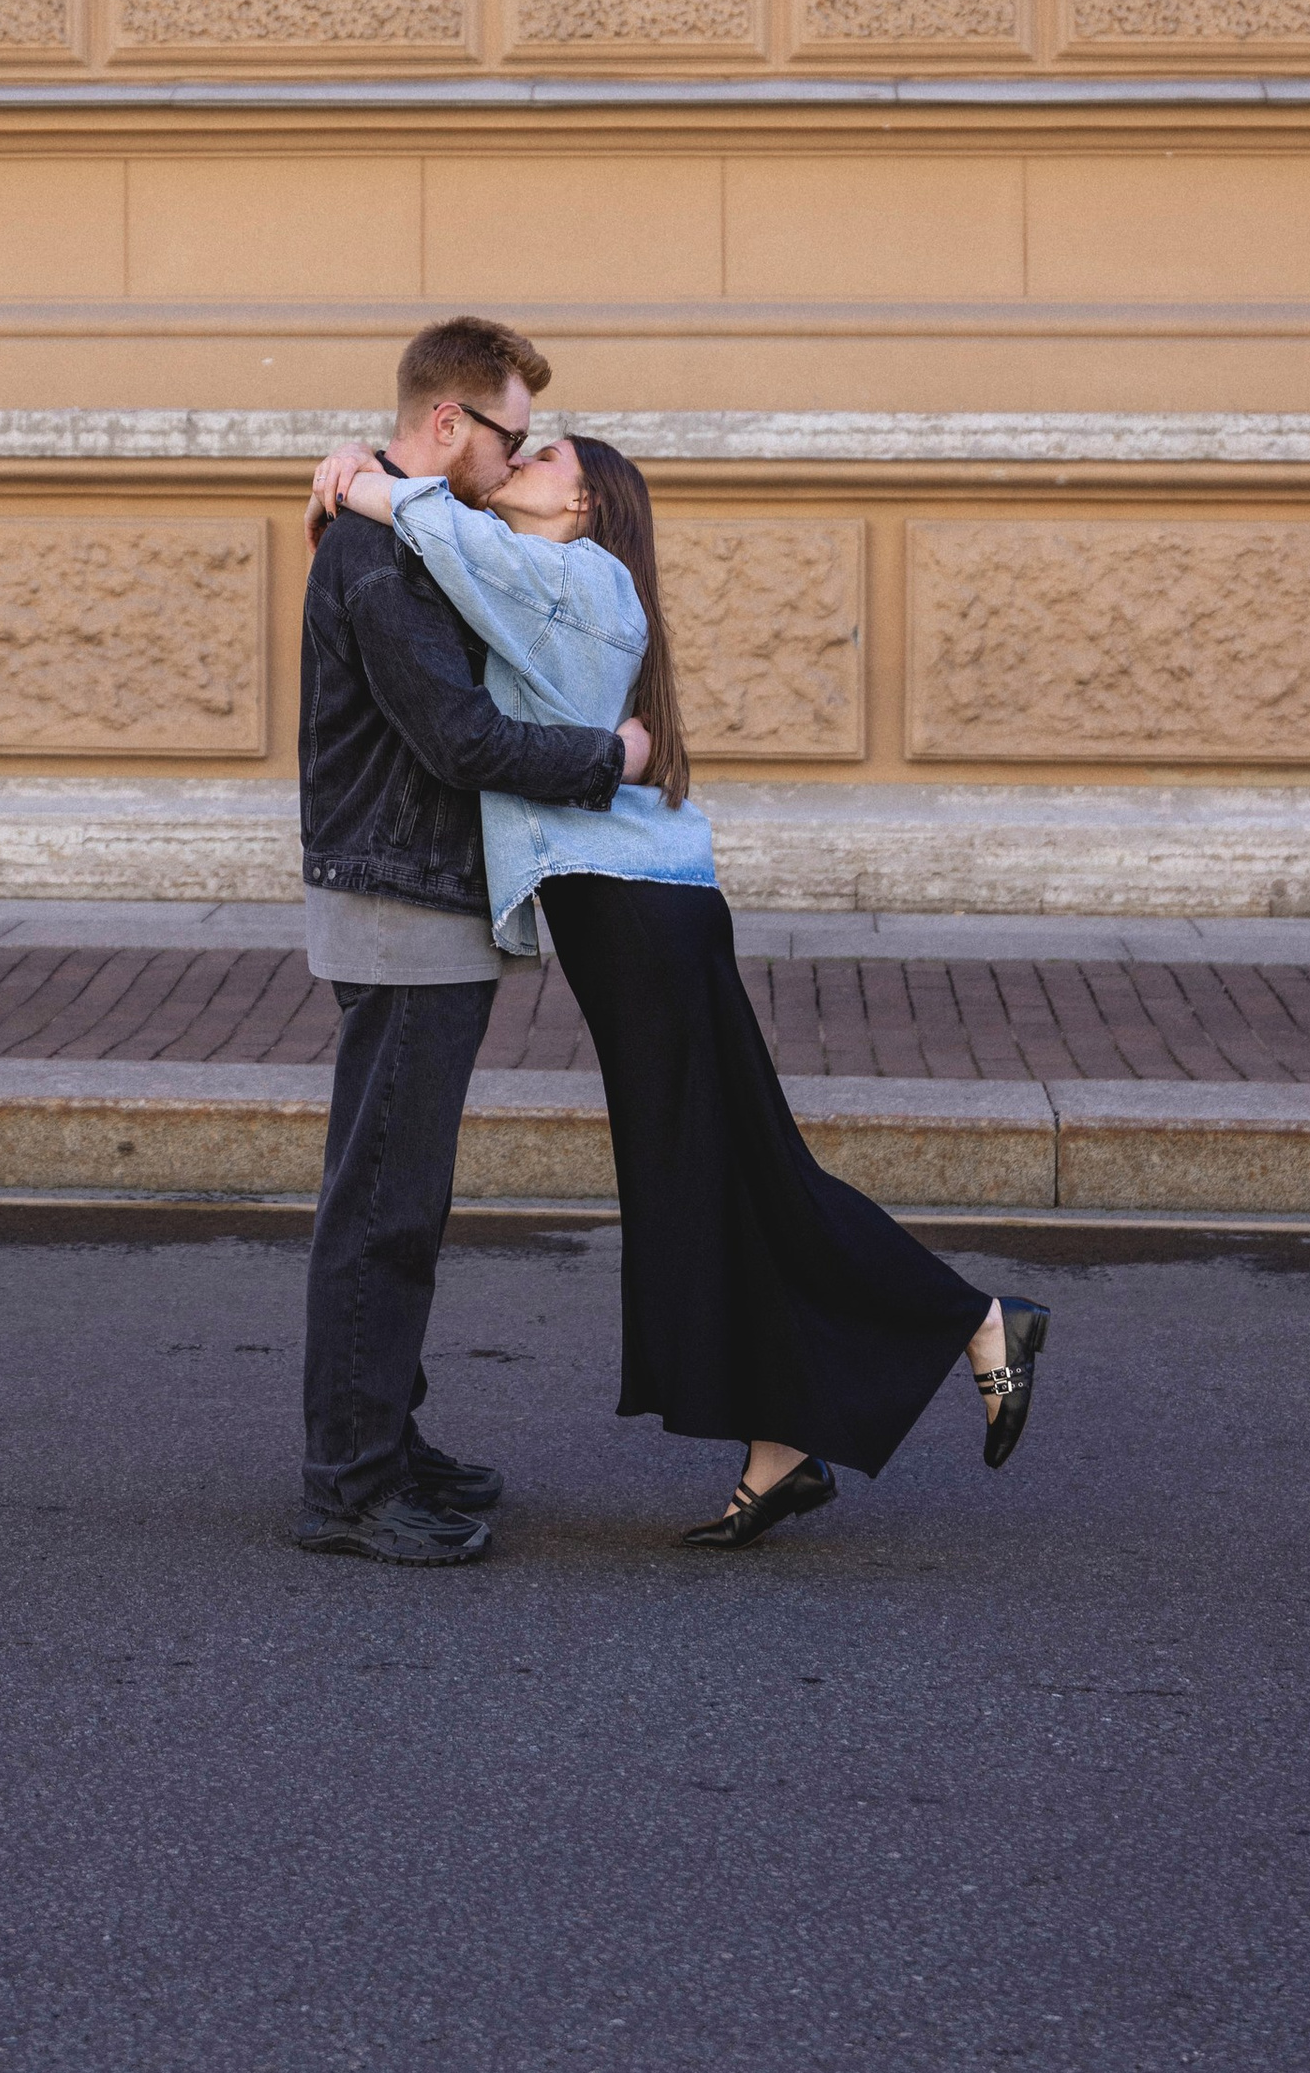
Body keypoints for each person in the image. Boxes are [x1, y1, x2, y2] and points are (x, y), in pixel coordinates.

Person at [307, 425, 1049, 1547]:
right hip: (636, 911)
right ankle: (780, 1446)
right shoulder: (550, 580)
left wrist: (361, 478)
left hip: (638, 916)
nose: (519, 463)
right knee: (700, 1184)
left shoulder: (575, 578)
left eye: (544, 457)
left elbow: (443, 533)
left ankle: (977, 1319)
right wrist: (365, 462)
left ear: (585, 506)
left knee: (738, 1172)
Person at [294, 317, 651, 1569]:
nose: (514, 458)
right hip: (400, 906)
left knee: (404, 1196)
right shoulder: (383, 557)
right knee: (382, 1209)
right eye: (508, 433)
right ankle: (349, 1483)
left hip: (425, 898)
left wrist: (360, 470)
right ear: (448, 422)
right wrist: (611, 759)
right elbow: (458, 740)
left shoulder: (414, 528)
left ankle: (383, 1442)